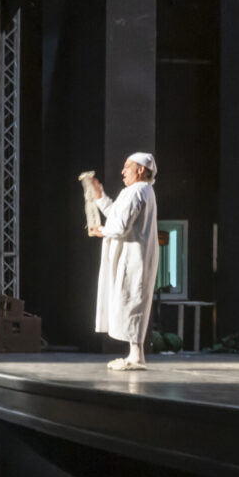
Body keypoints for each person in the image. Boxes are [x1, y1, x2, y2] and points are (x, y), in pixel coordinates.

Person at [87, 153, 159, 370]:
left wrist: (100, 230)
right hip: (130, 255)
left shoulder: (139, 191)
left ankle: (136, 356)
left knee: (132, 300)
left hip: (134, 256)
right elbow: (116, 215)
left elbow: (119, 226)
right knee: (128, 300)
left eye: (127, 166)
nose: (122, 171)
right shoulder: (134, 191)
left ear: (140, 170)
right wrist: (100, 196)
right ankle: (135, 354)